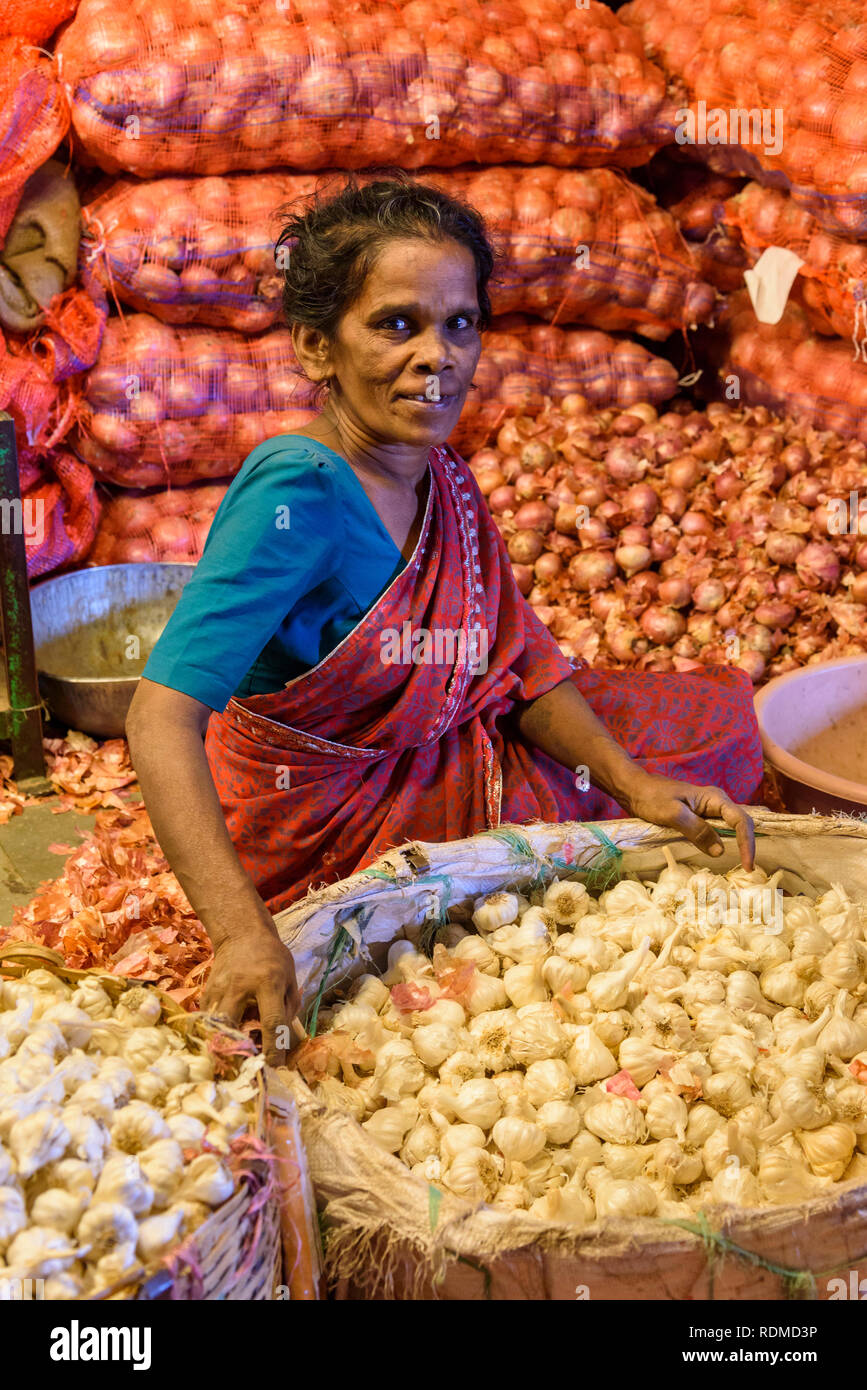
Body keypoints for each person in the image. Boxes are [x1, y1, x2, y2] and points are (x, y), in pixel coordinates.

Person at [126, 176, 763, 1062]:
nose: (439, 354)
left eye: (460, 322)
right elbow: (158, 718)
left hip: (438, 754)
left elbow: (519, 666)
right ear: (316, 345)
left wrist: (631, 783)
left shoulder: (439, 475)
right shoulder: (298, 495)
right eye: (396, 324)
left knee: (717, 726)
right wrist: (239, 931)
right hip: (321, 821)